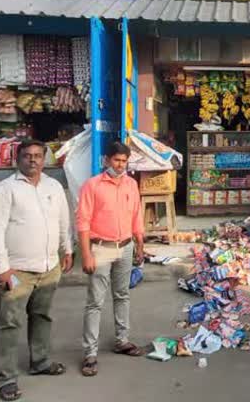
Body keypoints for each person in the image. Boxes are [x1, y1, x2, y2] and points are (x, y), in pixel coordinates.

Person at [0, 140, 74, 402]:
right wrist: (1, 268)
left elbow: (63, 221)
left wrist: (67, 249)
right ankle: (6, 379)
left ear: (44, 159)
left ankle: (40, 361)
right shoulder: (4, 190)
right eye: (27, 156)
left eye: (37, 156)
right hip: (16, 270)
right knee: (9, 323)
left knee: (42, 316)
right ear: (17, 158)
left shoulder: (53, 187)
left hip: (49, 266)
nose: (32, 160)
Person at [76, 141, 146, 377]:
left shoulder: (131, 185)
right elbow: (83, 222)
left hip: (125, 246)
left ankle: (122, 340)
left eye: (124, 161)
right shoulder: (92, 186)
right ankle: (90, 353)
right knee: (95, 301)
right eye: (116, 160)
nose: (120, 165)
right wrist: (86, 253)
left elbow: (136, 214)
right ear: (106, 160)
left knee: (122, 295)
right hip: (101, 248)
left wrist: (139, 242)